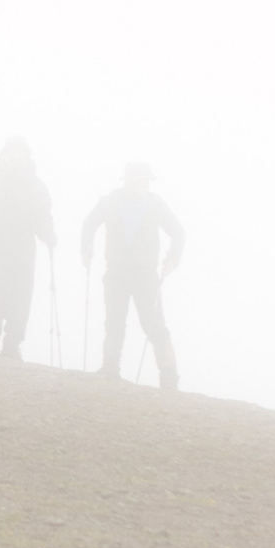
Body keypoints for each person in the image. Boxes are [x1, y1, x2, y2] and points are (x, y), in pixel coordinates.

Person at [80, 162, 182, 389]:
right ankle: (110, 369)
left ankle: (169, 379)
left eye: (147, 180)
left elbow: (178, 232)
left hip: (145, 274)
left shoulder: (155, 204)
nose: (144, 184)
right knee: (114, 322)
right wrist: (86, 247)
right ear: (127, 179)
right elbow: (89, 225)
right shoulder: (111, 201)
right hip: (116, 271)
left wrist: (172, 260)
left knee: (154, 325)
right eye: (140, 180)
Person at [0, 136, 57, 360]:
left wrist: (49, 235)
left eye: (20, 153)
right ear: (4, 157)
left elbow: (43, 215)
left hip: (22, 249)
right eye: (12, 154)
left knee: (20, 298)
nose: (17, 158)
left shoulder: (35, 185)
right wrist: (3, 175)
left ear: (26, 156)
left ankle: (12, 345)